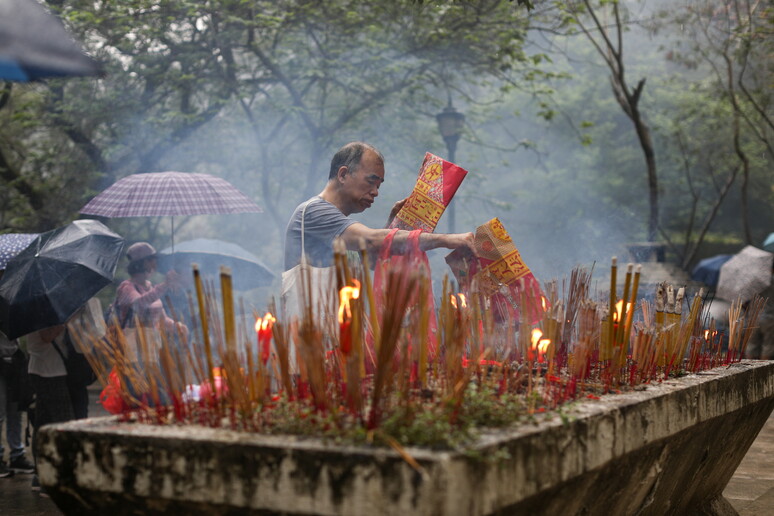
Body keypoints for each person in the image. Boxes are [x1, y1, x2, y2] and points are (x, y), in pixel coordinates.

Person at [283, 141, 475, 272]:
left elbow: (374, 262)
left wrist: (392, 226)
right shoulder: (314, 212)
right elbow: (370, 241)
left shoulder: (342, 229)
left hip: (341, 327)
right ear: (343, 175)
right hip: (312, 329)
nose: (376, 192)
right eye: (371, 182)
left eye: (379, 186)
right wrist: (447, 239)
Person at [26, 324, 73, 492]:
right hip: (49, 371)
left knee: (43, 424)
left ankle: (41, 476)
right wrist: (63, 322)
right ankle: (54, 476)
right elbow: (46, 336)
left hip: (43, 368)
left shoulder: (35, 307)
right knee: (61, 424)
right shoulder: (43, 311)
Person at [115, 242, 187, 339]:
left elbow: (161, 319)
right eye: (153, 259)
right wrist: (165, 285)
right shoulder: (126, 287)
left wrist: (175, 326)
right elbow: (138, 304)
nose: (155, 263)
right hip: (131, 346)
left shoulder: (149, 287)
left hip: (151, 345)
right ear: (144, 262)